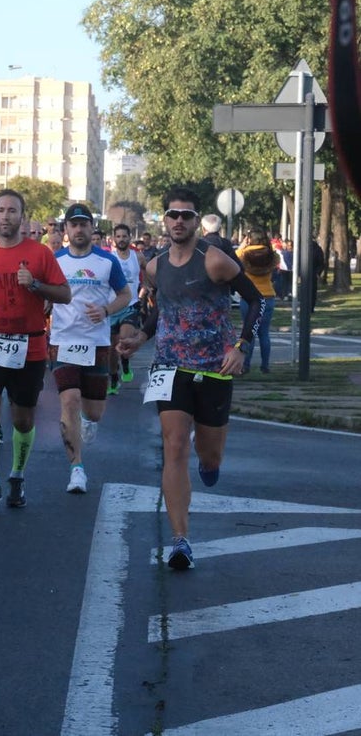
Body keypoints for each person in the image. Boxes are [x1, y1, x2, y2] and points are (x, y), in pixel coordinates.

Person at [117, 187, 264, 570]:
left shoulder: (215, 261)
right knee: (174, 444)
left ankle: (210, 461)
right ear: (163, 220)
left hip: (215, 366)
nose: (179, 221)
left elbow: (256, 301)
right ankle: (181, 540)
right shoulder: (154, 265)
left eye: (186, 215)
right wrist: (140, 339)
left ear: (197, 221)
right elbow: (161, 309)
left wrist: (241, 346)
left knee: (209, 454)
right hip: (169, 366)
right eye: (172, 214)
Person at [0, 189, 70, 510]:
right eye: (1, 210)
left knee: (23, 420)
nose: (6, 216)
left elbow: (64, 294)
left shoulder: (39, 254)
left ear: (22, 217)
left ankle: (18, 476)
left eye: (12, 211)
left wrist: (35, 285)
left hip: (30, 345)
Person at [50, 205, 131, 493]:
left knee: (93, 412)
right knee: (69, 400)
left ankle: (88, 420)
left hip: (96, 343)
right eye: (74, 224)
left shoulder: (107, 261)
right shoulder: (54, 260)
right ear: (66, 230)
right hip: (62, 341)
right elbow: (46, 295)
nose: (79, 229)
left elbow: (126, 294)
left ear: (91, 228)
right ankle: (77, 469)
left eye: (84, 224)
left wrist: (106, 310)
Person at [107, 222, 146, 394]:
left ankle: (126, 363)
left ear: (130, 238)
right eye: (118, 236)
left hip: (130, 305)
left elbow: (150, 272)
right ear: (114, 239)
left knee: (124, 338)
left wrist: (147, 287)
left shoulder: (137, 257)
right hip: (112, 306)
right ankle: (114, 379)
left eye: (124, 236)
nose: (121, 239)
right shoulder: (109, 258)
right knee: (110, 350)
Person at [235, 229, 279, 374]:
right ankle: (265, 366)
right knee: (264, 334)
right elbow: (277, 265)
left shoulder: (244, 254)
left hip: (248, 297)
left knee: (249, 332)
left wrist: (242, 245)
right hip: (268, 295)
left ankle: (246, 365)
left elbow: (234, 257)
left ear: (249, 239)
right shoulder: (272, 255)